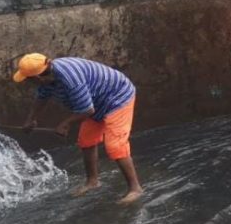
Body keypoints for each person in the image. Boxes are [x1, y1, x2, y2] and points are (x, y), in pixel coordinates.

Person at [14, 54, 144, 204]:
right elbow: (41, 99)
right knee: (86, 141)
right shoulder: (47, 79)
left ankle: (135, 188)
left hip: (117, 98)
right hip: (96, 101)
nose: (26, 82)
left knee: (115, 145)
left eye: (27, 79)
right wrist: (30, 120)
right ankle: (92, 182)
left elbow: (87, 110)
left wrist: (65, 124)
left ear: (37, 78)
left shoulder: (70, 79)